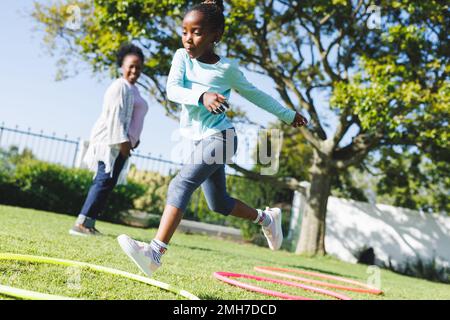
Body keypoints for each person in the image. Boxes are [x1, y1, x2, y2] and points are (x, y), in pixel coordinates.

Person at [117, 0, 307, 276]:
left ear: (215, 35)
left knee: (180, 184)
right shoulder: (181, 58)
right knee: (219, 203)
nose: (188, 38)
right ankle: (266, 218)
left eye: (196, 32)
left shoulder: (227, 69)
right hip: (199, 140)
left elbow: (257, 94)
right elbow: (172, 90)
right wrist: (201, 96)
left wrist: (288, 115)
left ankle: (155, 253)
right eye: (185, 31)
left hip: (221, 138)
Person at [69, 43, 149, 236]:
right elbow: (116, 118)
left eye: (138, 67)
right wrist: (123, 143)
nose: (134, 70)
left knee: (107, 184)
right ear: (122, 66)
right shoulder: (119, 87)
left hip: (123, 145)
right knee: (103, 182)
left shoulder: (133, 89)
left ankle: (89, 223)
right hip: (111, 144)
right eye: (131, 65)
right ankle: (81, 224)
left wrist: (134, 141)